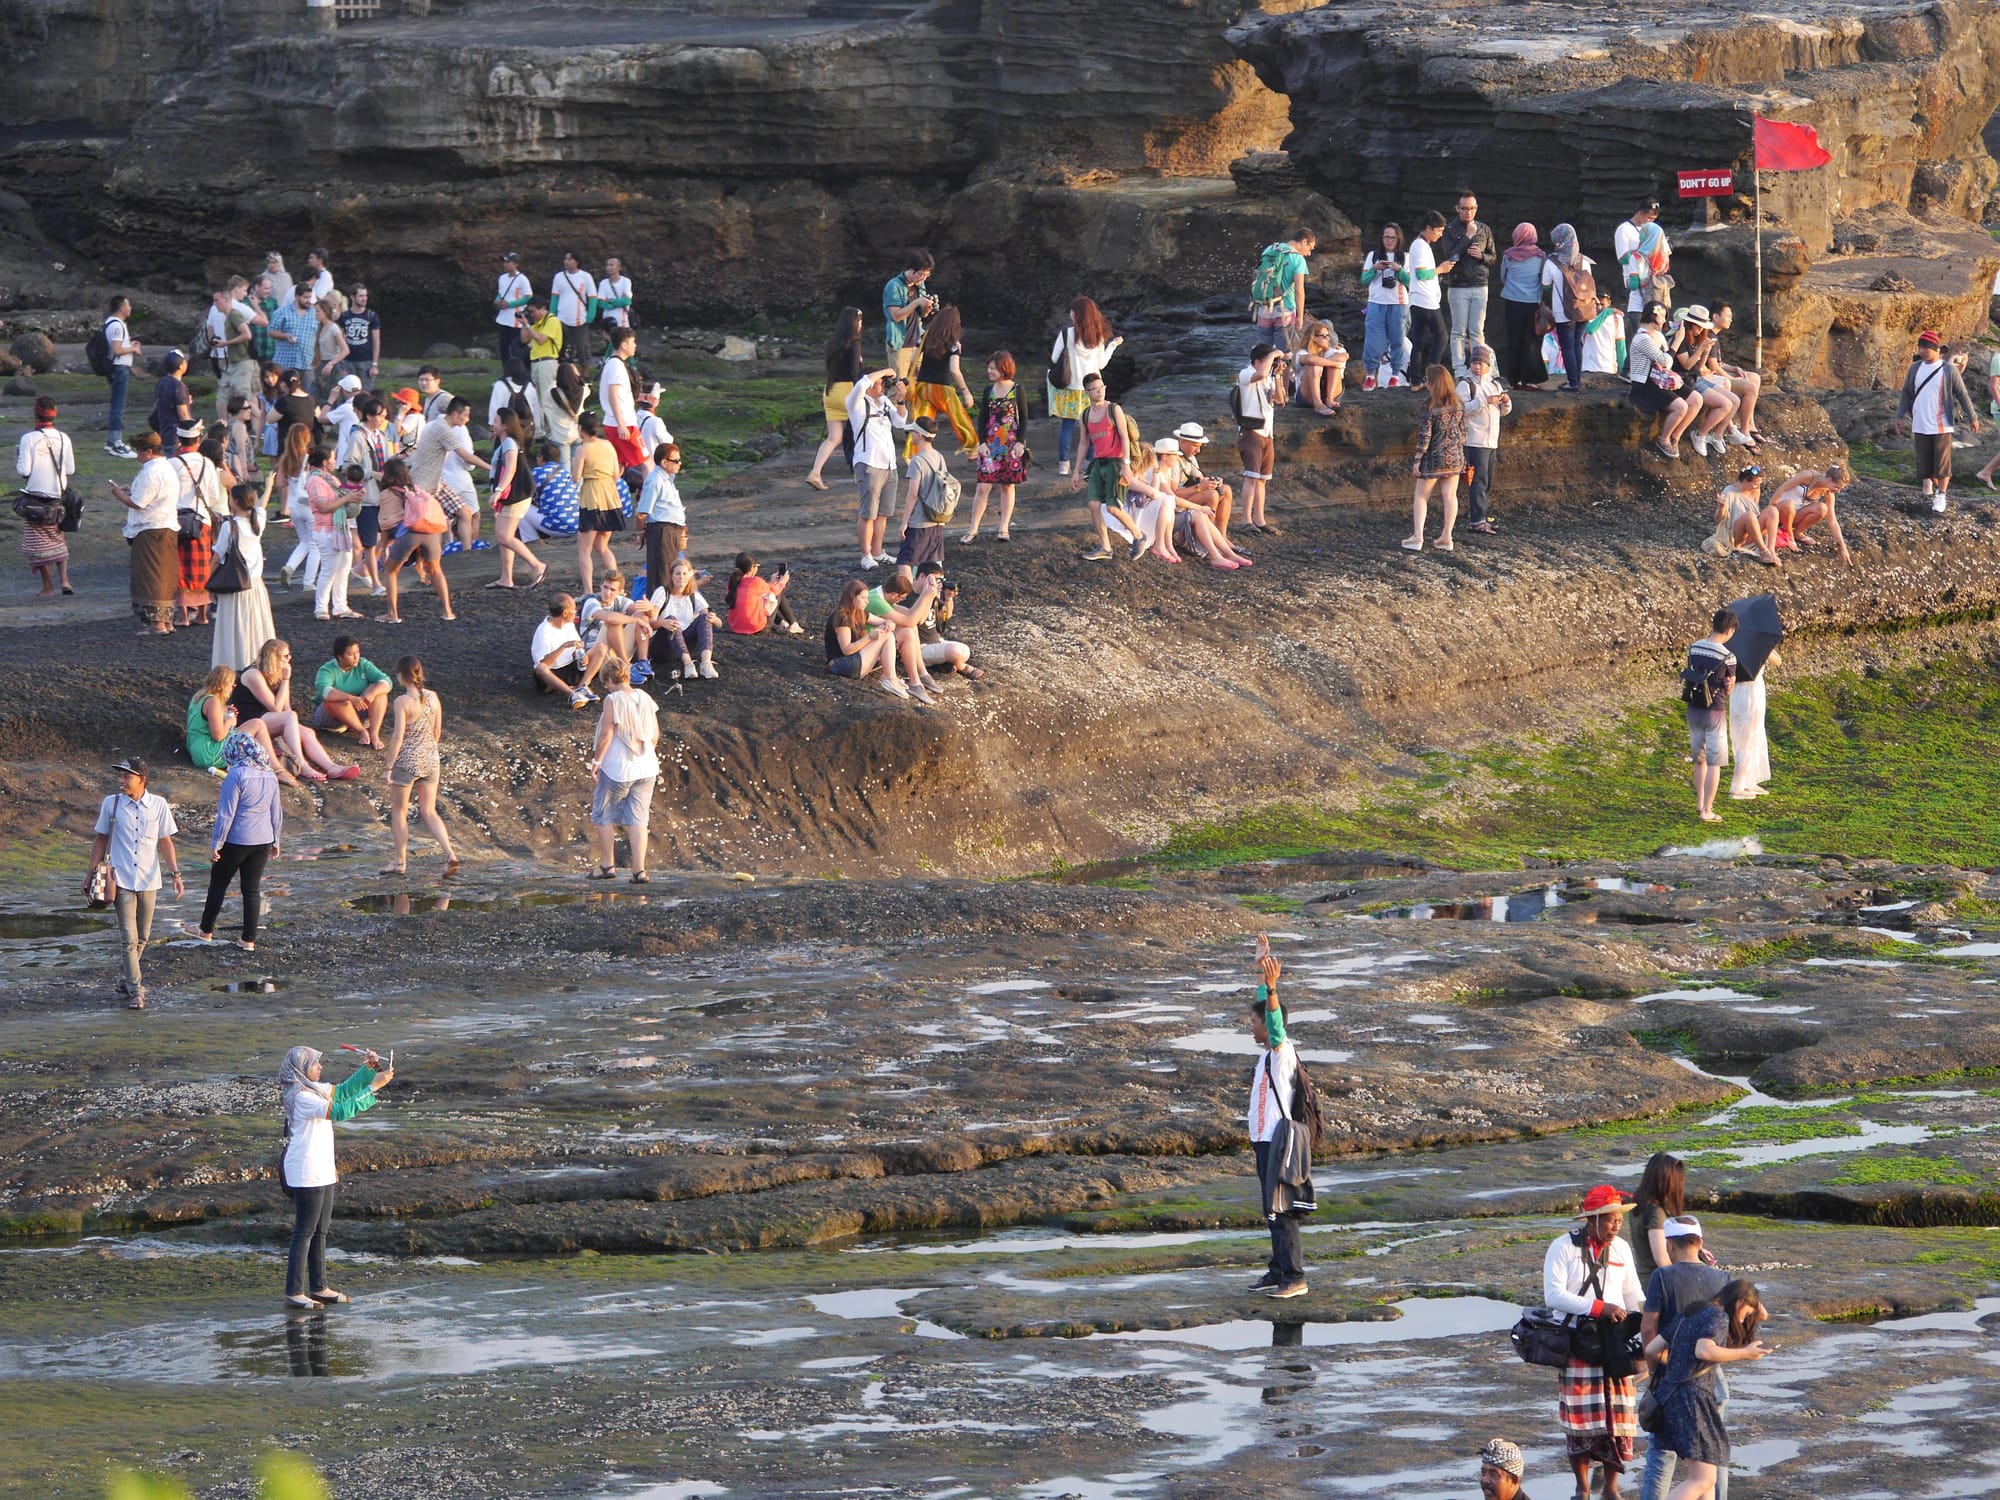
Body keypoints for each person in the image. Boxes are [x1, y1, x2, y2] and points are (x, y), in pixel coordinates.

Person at [1545, 1185, 1647, 1500]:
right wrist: (1600, 1308)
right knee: (1579, 1418)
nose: (1616, 1225)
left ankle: (1612, 1489)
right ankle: (1582, 1486)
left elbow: (1634, 1296)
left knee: (1621, 1416)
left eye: (1618, 1219)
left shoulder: (1622, 1250)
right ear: (1592, 1219)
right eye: (1610, 1219)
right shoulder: (1563, 1247)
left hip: (1616, 1340)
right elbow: (1553, 1296)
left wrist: (1648, 1331)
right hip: (1578, 1339)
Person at [279, 1044, 394, 1309]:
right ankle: (294, 1291)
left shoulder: (313, 1088)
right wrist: (374, 1088)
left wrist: (368, 1070)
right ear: (302, 1068)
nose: (320, 1068)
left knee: (321, 1232)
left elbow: (342, 1092)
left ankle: (320, 1288)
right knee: (304, 1232)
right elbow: (340, 1111)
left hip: (322, 1169)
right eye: (316, 1064)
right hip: (306, 1171)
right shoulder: (300, 1096)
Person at [1637, 1219, 1732, 1500]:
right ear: (1700, 1243)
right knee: (1713, 1451)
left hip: (1672, 1374)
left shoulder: (1663, 1277)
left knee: (1661, 1453)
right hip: (1710, 1375)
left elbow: (1647, 1328)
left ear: (1669, 1244)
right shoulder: (1721, 1278)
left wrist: (1654, 1371)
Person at [1649, 1281, 1768, 1500]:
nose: (1743, 1320)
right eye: (1745, 1313)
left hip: (1671, 1395)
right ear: (1739, 1302)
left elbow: (1651, 1349)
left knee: (1708, 1478)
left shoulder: (1691, 1312)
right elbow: (1704, 1350)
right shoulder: (1718, 1316)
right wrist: (1745, 1353)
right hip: (1692, 1399)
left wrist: (1678, 1367)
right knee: (1701, 1479)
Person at [85, 757, 182, 1009]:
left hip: (150, 880)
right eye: (120, 775)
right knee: (129, 938)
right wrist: (90, 873)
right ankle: (136, 991)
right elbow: (100, 839)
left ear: (142, 779)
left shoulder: (159, 805)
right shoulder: (112, 804)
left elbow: (166, 842)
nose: (121, 780)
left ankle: (126, 980)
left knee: (144, 936)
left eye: (126, 776)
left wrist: (176, 874)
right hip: (120, 880)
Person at [1243, 935, 1309, 1298]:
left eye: (1254, 1023)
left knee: (1281, 1209)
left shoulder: (1282, 1051)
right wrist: (1260, 970)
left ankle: (1295, 1277)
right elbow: (1266, 1014)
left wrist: (1271, 987)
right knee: (1271, 1209)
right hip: (1264, 1141)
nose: (1251, 1027)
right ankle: (1277, 1270)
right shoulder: (1266, 1055)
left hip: (1279, 1140)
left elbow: (1274, 1020)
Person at [181, 730, 282, 951]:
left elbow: (226, 814)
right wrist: (276, 840)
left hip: (237, 838)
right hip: (263, 839)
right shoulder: (270, 775)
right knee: (252, 889)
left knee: (218, 883)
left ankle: (205, 930)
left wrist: (216, 843)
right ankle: (248, 940)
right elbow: (276, 811)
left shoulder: (236, 775)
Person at [236, 638, 361, 781]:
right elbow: (276, 708)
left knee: (306, 731)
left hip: (268, 717)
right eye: (285, 656)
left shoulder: (276, 672)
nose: (289, 658)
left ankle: (332, 767)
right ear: (274, 657)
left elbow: (286, 706)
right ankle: (302, 764)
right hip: (250, 721)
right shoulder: (253, 674)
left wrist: (295, 727)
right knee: (290, 717)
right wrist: (285, 680)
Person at [379, 654, 458, 877]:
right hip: (431, 760)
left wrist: (388, 769)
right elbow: (437, 732)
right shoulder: (433, 697)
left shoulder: (402, 702)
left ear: (402, 676)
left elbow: (397, 737)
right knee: (429, 810)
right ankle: (450, 853)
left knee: (399, 811)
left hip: (408, 762)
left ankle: (399, 862)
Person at [589, 659, 660, 883]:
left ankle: (607, 865)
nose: (607, 687)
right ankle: (639, 871)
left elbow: (606, 734)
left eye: (606, 683)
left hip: (618, 768)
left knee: (602, 814)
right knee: (638, 818)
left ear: (610, 679)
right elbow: (655, 734)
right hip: (647, 766)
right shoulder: (646, 698)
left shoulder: (613, 699)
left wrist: (596, 760)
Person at [1895, 329, 1981, 513]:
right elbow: (1906, 393)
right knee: (1925, 466)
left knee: (1942, 464)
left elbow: (1962, 394)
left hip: (1942, 424)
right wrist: (1900, 415)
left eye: (1925, 347)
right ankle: (1935, 489)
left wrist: (1973, 417)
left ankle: (1941, 494)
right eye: (1920, 347)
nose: (1921, 351)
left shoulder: (1948, 370)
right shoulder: (1915, 368)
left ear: (1935, 349)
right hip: (1920, 423)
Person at [109, 431, 180, 635]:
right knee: (166, 574)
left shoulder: (151, 471)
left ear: (149, 451)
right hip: (166, 527)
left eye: (139, 452)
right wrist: (130, 491)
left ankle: (157, 624)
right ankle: (167, 622)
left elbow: (138, 503)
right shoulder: (167, 467)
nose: (137, 456)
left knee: (151, 576)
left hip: (151, 530)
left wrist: (119, 495)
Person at [374, 458, 456, 625]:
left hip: (409, 533)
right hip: (431, 532)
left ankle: (393, 614)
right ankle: (448, 612)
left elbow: (388, 522)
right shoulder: (417, 490)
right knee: (436, 571)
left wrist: (384, 546)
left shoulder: (388, 493)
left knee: (391, 571)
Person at [1049, 296, 1124, 475]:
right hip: (1092, 388)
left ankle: (1064, 465)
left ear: (1078, 314)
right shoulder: (1097, 336)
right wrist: (1112, 345)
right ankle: (1089, 463)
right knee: (1093, 426)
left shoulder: (1066, 334)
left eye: (1072, 311)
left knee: (1067, 426)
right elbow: (1101, 364)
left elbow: (1053, 358)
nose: (1070, 314)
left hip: (1070, 388)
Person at [211, 481, 277, 670]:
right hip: (255, 585)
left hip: (235, 585)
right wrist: (269, 486)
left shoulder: (229, 527)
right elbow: (261, 507)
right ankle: (258, 664)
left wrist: (208, 582)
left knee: (235, 627)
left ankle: (235, 664)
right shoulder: (257, 523)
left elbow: (217, 557)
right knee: (256, 626)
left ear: (235, 501)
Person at [1073, 372, 1140, 560]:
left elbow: (1124, 437)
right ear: (1087, 392)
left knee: (1112, 508)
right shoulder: (1085, 415)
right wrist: (1076, 471)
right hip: (1098, 464)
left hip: (1116, 463)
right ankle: (1105, 547)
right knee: (1093, 504)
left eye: (1101, 387)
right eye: (1094, 389)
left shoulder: (1114, 409)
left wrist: (1126, 465)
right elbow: (1083, 444)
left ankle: (1139, 536)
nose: (1099, 392)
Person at [847, 367, 908, 569]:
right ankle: (866, 556)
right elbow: (862, 382)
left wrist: (900, 400)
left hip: (889, 464)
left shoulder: (883, 402)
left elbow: (900, 422)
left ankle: (878, 552)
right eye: (881, 382)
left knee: (883, 513)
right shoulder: (856, 401)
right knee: (868, 513)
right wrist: (884, 371)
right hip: (869, 463)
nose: (883, 386)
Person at [962, 352, 1026, 543]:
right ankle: (973, 529)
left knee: (1007, 485)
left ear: (1003, 368)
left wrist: (1021, 442)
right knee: (983, 486)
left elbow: (1024, 418)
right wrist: (981, 442)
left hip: (1011, 444)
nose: (989, 371)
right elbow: (981, 418)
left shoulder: (1017, 389)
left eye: (992, 368)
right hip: (990, 444)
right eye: (989, 367)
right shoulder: (988, 390)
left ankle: (1004, 527)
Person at [16, 396, 75, 596]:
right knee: (58, 538)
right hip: (58, 497)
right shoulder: (64, 438)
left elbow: (24, 470)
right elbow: (71, 469)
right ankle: (65, 581)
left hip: (36, 498)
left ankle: (48, 586)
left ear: (36, 413)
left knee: (37, 543)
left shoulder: (28, 439)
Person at [1404, 364, 1466, 553]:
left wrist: (1417, 459)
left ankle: (1417, 537)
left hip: (1433, 458)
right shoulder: (1459, 403)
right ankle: (1446, 537)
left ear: (1432, 383)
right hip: (1455, 456)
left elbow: (1425, 438)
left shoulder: (1429, 407)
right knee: (1450, 496)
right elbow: (1464, 432)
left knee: (1421, 496)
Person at [1684, 607, 1737, 823]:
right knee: (1715, 762)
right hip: (1714, 712)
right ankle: (1707, 810)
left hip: (1693, 709)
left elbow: (1692, 671)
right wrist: (1730, 684)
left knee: (1699, 759)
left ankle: (1699, 804)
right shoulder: (1729, 656)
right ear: (1730, 630)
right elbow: (1727, 688)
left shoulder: (1694, 647)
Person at [1437, 191, 1495, 376]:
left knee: (1477, 331)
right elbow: (1450, 256)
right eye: (1464, 208)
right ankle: (1460, 370)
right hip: (1458, 285)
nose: (1468, 212)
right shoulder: (1450, 230)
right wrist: (1468, 237)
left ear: (1476, 208)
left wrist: (1483, 256)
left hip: (1480, 284)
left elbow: (1493, 257)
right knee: (1459, 331)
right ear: (1457, 209)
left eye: (1472, 208)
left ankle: (1479, 368)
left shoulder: (1484, 229)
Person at [907, 306, 979, 457]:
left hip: (923, 385)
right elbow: (954, 369)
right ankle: (972, 448)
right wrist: (965, 392)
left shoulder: (925, 336)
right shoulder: (953, 343)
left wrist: (917, 375)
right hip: (942, 386)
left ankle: (914, 454)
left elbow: (913, 359)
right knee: (958, 416)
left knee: (921, 420)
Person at [1628, 304, 1697, 460]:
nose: (1665, 320)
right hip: (1646, 384)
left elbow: (1667, 363)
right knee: (1681, 406)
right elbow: (1666, 361)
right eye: (1663, 316)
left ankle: (1675, 437)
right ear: (1654, 316)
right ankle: (1663, 439)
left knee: (1696, 399)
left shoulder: (1658, 336)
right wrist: (1677, 341)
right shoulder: (1641, 338)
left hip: (1661, 378)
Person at [1668, 309, 1739, 458]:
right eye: (1698, 326)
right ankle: (1700, 434)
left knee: (1734, 400)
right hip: (1684, 380)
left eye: (1702, 327)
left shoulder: (1696, 339)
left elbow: (1699, 368)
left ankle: (1716, 436)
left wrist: (1706, 350)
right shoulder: (1681, 339)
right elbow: (1687, 365)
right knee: (1725, 404)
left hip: (1697, 378)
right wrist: (1701, 349)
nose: (1700, 330)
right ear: (1690, 324)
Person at [808, 306, 865, 490]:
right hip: (848, 392)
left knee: (834, 437)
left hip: (830, 391)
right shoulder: (854, 344)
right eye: (860, 321)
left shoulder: (832, 343)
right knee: (859, 435)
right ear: (854, 323)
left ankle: (815, 472)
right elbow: (855, 372)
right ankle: (859, 474)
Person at [303, 445, 360, 622]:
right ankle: (321, 607)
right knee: (329, 569)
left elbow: (341, 495)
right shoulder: (315, 481)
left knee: (343, 568)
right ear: (325, 462)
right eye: (333, 458)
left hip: (339, 528)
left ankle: (340, 606)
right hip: (327, 530)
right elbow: (323, 506)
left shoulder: (330, 479)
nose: (336, 462)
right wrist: (348, 498)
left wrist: (354, 494)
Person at [825, 578, 910, 697]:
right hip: (841, 665)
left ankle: (891, 678)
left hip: (854, 661)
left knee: (887, 634)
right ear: (853, 598)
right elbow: (847, 650)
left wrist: (888, 623)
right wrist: (870, 637)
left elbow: (882, 621)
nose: (867, 602)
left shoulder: (859, 612)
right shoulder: (842, 617)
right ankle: (890, 679)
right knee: (886, 636)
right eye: (863, 598)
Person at [1459, 345, 1511, 536]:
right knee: (1479, 481)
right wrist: (1484, 401)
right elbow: (1462, 409)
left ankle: (1480, 517)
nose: (1477, 367)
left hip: (1491, 441)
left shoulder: (1495, 385)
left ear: (1489, 365)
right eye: (1474, 363)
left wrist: (1506, 402)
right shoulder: (1465, 385)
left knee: (1487, 482)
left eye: (1481, 363)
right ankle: (1477, 521)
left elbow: (1503, 412)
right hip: (1474, 441)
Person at [894, 416, 956, 572]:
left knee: (905, 562)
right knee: (932, 567)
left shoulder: (917, 461)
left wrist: (904, 522)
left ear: (920, 435)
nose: (911, 435)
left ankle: (908, 595)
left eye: (913, 432)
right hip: (937, 521)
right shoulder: (939, 457)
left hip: (920, 522)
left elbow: (913, 494)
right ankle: (935, 595)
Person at [571, 410, 624, 593]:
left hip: (592, 496)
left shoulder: (583, 449)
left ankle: (588, 591)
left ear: (580, 428)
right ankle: (617, 586)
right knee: (602, 546)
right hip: (610, 495)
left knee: (584, 548)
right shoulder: (608, 445)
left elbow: (576, 477)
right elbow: (617, 473)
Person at [1236, 343, 1284, 535]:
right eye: (1269, 361)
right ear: (1257, 362)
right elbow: (1262, 374)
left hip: (1267, 433)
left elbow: (1280, 399)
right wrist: (1273, 354)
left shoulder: (1268, 379)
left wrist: (1278, 375)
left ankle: (1260, 520)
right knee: (1251, 477)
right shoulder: (1246, 374)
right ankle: (1246, 520)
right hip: (1251, 432)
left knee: (1262, 480)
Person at [311, 635, 392, 748]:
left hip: (358, 710)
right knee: (338, 699)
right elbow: (323, 691)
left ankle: (374, 734)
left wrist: (371, 693)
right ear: (340, 656)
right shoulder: (327, 670)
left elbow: (386, 681)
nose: (356, 657)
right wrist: (351, 698)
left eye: (357, 652)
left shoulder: (363, 664)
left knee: (379, 693)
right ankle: (362, 731)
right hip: (331, 718)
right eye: (350, 654)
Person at [1542, 224, 1595, 396]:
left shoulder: (1552, 262)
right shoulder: (1585, 261)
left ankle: (1573, 383)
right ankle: (1577, 379)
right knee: (1577, 343)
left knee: (1567, 346)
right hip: (1584, 309)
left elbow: (1546, 285)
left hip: (1563, 311)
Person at [649, 557, 722, 681]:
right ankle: (688, 664)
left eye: (684, 573)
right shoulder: (662, 592)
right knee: (672, 620)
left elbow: (718, 625)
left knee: (705, 617)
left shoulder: (694, 595)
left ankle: (706, 663)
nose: (681, 577)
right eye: (677, 573)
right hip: (663, 644)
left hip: (684, 644)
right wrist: (663, 623)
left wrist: (714, 619)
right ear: (671, 576)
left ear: (689, 576)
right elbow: (650, 622)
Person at [533, 593, 608, 708]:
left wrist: (584, 657)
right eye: (574, 610)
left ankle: (582, 686)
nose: (576, 612)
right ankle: (573, 695)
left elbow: (578, 648)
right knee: (541, 668)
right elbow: (545, 662)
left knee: (601, 648)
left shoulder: (569, 624)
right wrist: (564, 646)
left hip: (571, 667)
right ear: (565, 613)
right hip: (554, 674)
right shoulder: (544, 631)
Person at [1703, 306, 1763, 447]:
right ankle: (1744, 430)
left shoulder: (1715, 336)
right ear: (1716, 317)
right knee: (1751, 388)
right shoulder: (1710, 336)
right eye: (1728, 315)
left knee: (1754, 377)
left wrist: (1734, 369)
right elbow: (1713, 367)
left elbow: (1719, 363)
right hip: (1712, 377)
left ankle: (1750, 423)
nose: (1731, 319)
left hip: (1717, 372)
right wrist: (1731, 379)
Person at [1497, 223, 1549, 388]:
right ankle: (1530, 380)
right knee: (1531, 341)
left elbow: (1503, 278)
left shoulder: (1509, 255)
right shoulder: (1541, 257)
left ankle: (1514, 379)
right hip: (1532, 304)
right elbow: (1543, 281)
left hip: (1512, 303)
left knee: (1513, 340)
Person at [1767, 464, 1852, 564]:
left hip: (1794, 516)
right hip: (1781, 510)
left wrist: (1843, 546)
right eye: (1837, 487)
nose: (1838, 491)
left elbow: (1832, 520)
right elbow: (1782, 488)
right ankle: (1789, 535)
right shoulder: (1809, 476)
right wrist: (1770, 510)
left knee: (1822, 508)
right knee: (1789, 505)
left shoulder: (1828, 492)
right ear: (1829, 479)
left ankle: (1797, 533)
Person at [909, 559, 979, 679]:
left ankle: (942, 663)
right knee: (957, 651)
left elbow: (944, 618)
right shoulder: (910, 597)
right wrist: (929, 596)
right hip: (919, 647)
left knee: (963, 650)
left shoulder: (932, 593)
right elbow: (920, 620)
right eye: (936, 580)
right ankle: (961, 667)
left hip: (936, 641)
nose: (938, 584)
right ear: (922, 576)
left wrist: (948, 598)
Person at [1360, 224, 1411, 390]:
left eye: (1392, 237)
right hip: (1376, 303)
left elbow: (1411, 281)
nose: (1389, 241)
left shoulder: (1405, 257)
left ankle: (1395, 375)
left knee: (1398, 340)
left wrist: (1398, 270)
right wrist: (1375, 269)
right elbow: (1364, 280)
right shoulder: (1373, 256)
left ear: (1399, 239)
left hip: (1399, 304)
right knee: (1374, 342)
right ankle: (1370, 375)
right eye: (1386, 237)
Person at [1249, 227, 1317, 349]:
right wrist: (1300, 317)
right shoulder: (1298, 259)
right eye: (1309, 248)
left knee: (1264, 351)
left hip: (1264, 308)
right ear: (1304, 241)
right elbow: (1299, 290)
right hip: (1285, 310)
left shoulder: (1270, 249)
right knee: (1285, 353)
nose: (1308, 253)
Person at [637, 441, 687, 599]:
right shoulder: (655, 480)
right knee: (663, 576)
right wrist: (640, 533)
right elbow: (642, 513)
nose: (680, 463)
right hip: (662, 531)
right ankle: (658, 615)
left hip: (671, 531)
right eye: (676, 460)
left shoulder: (667, 479)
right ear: (664, 462)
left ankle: (666, 611)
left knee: (670, 573)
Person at [1728, 643, 1777, 802]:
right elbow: (1778, 660)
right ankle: (1737, 786)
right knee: (1747, 739)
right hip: (1752, 691)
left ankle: (1749, 780)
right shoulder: (1759, 643)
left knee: (1750, 737)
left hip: (1738, 691)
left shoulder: (1732, 643)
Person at [580, 569, 654, 674]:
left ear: (620, 591)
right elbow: (608, 618)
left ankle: (643, 662)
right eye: (605, 587)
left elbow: (645, 613)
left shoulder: (619, 600)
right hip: (596, 654)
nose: (607, 593)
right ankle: (626, 667)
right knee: (613, 622)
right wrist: (636, 620)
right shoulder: (591, 601)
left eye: (612, 590)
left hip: (615, 652)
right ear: (600, 586)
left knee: (642, 615)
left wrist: (650, 609)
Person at [1170, 422, 1234, 540]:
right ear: (1183, 441)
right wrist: (1199, 487)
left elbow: (1200, 477)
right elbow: (1172, 494)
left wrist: (1212, 482)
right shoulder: (1173, 460)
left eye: (1199, 446)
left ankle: (1222, 536)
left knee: (1226, 490)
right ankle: (1207, 538)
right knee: (1212, 495)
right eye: (1195, 446)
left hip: (1186, 496)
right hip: (1174, 503)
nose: (1198, 451)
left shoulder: (1190, 458)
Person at [883, 250, 938, 382]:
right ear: (911, 270)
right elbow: (895, 316)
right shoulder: (894, 286)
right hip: (900, 344)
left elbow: (923, 315)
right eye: (921, 274)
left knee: (916, 387)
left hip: (917, 342)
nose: (923, 278)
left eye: (927, 275)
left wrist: (928, 306)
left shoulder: (920, 285)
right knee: (898, 387)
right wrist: (917, 302)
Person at [1407, 211, 1448, 377]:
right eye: (1438, 230)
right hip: (1425, 300)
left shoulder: (1418, 244)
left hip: (1416, 298)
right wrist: (1441, 269)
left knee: (1418, 341)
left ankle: (1415, 380)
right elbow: (1421, 274)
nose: (1440, 234)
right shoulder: (1421, 246)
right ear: (1428, 228)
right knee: (1441, 337)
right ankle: (1431, 375)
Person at [101, 294, 142, 458]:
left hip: (117, 368)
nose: (130, 308)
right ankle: (115, 442)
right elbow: (117, 350)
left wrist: (129, 345)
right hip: (119, 369)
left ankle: (113, 441)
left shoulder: (112, 323)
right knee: (118, 406)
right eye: (128, 305)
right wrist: (132, 349)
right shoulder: (117, 326)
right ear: (121, 308)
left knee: (118, 404)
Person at [599, 325, 645, 468]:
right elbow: (613, 395)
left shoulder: (613, 363)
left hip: (616, 422)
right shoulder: (616, 366)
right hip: (623, 423)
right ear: (624, 345)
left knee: (619, 465)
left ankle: (611, 490)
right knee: (646, 462)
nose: (635, 346)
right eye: (633, 342)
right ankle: (650, 491)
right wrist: (621, 425)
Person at [726, 553, 802, 635]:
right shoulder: (756, 582)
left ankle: (781, 623)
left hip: (735, 627)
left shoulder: (732, 581)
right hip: (757, 628)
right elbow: (774, 591)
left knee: (762, 599)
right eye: (757, 566)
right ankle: (793, 624)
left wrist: (772, 582)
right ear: (752, 567)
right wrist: (782, 582)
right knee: (778, 595)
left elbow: (763, 590)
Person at [1613, 201, 1660, 319]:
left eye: (1654, 219)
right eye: (1649, 218)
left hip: (1652, 282)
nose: (1651, 221)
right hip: (1634, 281)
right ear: (1640, 213)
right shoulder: (1624, 229)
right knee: (1639, 319)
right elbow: (1622, 258)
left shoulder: (1651, 230)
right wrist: (1641, 250)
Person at [551, 251, 598, 365]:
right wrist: (552, 314)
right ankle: (560, 369)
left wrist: (591, 314)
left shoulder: (585, 277)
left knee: (583, 346)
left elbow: (592, 297)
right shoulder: (559, 277)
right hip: (561, 318)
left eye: (569, 259)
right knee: (560, 345)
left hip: (579, 318)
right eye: (565, 259)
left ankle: (585, 372)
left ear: (576, 262)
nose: (566, 261)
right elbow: (554, 297)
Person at [522, 294, 565, 417]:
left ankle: (551, 430)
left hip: (547, 362)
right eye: (529, 312)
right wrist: (524, 324)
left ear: (543, 309)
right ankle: (540, 431)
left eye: (533, 311)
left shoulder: (552, 321)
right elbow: (524, 339)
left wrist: (529, 326)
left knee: (547, 399)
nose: (532, 314)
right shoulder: (536, 324)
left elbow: (541, 339)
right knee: (537, 400)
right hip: (535, 362)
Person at [1295, 320, 1349, 414]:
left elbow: (1345, 356)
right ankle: (1318, 403)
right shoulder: (1302, 352)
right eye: (1324, 336)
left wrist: (1330, 363)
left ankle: (1329, 399)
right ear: (1314, 338)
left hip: (1333, 393)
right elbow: (1310, 360)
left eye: (1328, 335)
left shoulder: (1334, 350)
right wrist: (1333, 363)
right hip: (1308, 395)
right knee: (1315, 365)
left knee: (1332, 366)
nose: (1328, 339)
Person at [268, 283, 318, 381]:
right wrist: (286, 336)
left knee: (306, 393)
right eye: (305, 297)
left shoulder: (315, 313)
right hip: (284, 362)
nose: (308, 301)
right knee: (283, 393)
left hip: (306, 363)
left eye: (310, 297)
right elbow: (271, 331)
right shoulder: (282, 311)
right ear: (297, 296)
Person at [493, 251, 533, 369]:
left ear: (516, 264)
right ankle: (506, 372)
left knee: (515, 349)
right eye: (504, 262)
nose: (505, 264)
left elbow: (528, 296)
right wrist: (497, 301)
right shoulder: (502, 278)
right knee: (504, 348)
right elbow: (501, 293)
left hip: (515, 320)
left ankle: (518, 371)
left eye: (508, 262)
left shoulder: (522, 279)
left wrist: (510, 304)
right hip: (503, 319)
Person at [339, 286, 380, 388]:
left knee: (366, 392)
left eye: (365, 295)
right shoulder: (344, 316)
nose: (364, 298)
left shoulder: (371, 316)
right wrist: (341, 364)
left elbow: (376, 341)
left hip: (366, 361)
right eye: (361, 296)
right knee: (348, 390)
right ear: (353, 297)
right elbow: (339, 340)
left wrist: (374, 364)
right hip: (348, 361)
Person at [487, 358, 541, 434]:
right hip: (526, 427)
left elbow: (494, 406)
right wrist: (537, 427)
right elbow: (536, 408)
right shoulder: (529, 386)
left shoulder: (500, 385)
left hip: (506, 426)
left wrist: (492, 427)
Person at [152, 348, 193, 440]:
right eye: (184, 362)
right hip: (176, 436)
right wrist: (190, 434)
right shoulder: (179, 386)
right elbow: (183, 414)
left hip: (164, 432)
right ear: (180, 366)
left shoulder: (161, 382)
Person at [597, 255, 633, 339]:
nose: (608, 267)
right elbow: (600, 303)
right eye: (607, 265)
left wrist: (611, 301)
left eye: (611, 265)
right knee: (609, 342)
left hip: (622, 320)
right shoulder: (604, 283)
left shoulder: (625, 281)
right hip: (608, 319)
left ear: (619, 267)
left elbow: (627, 301)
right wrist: (618, 301)